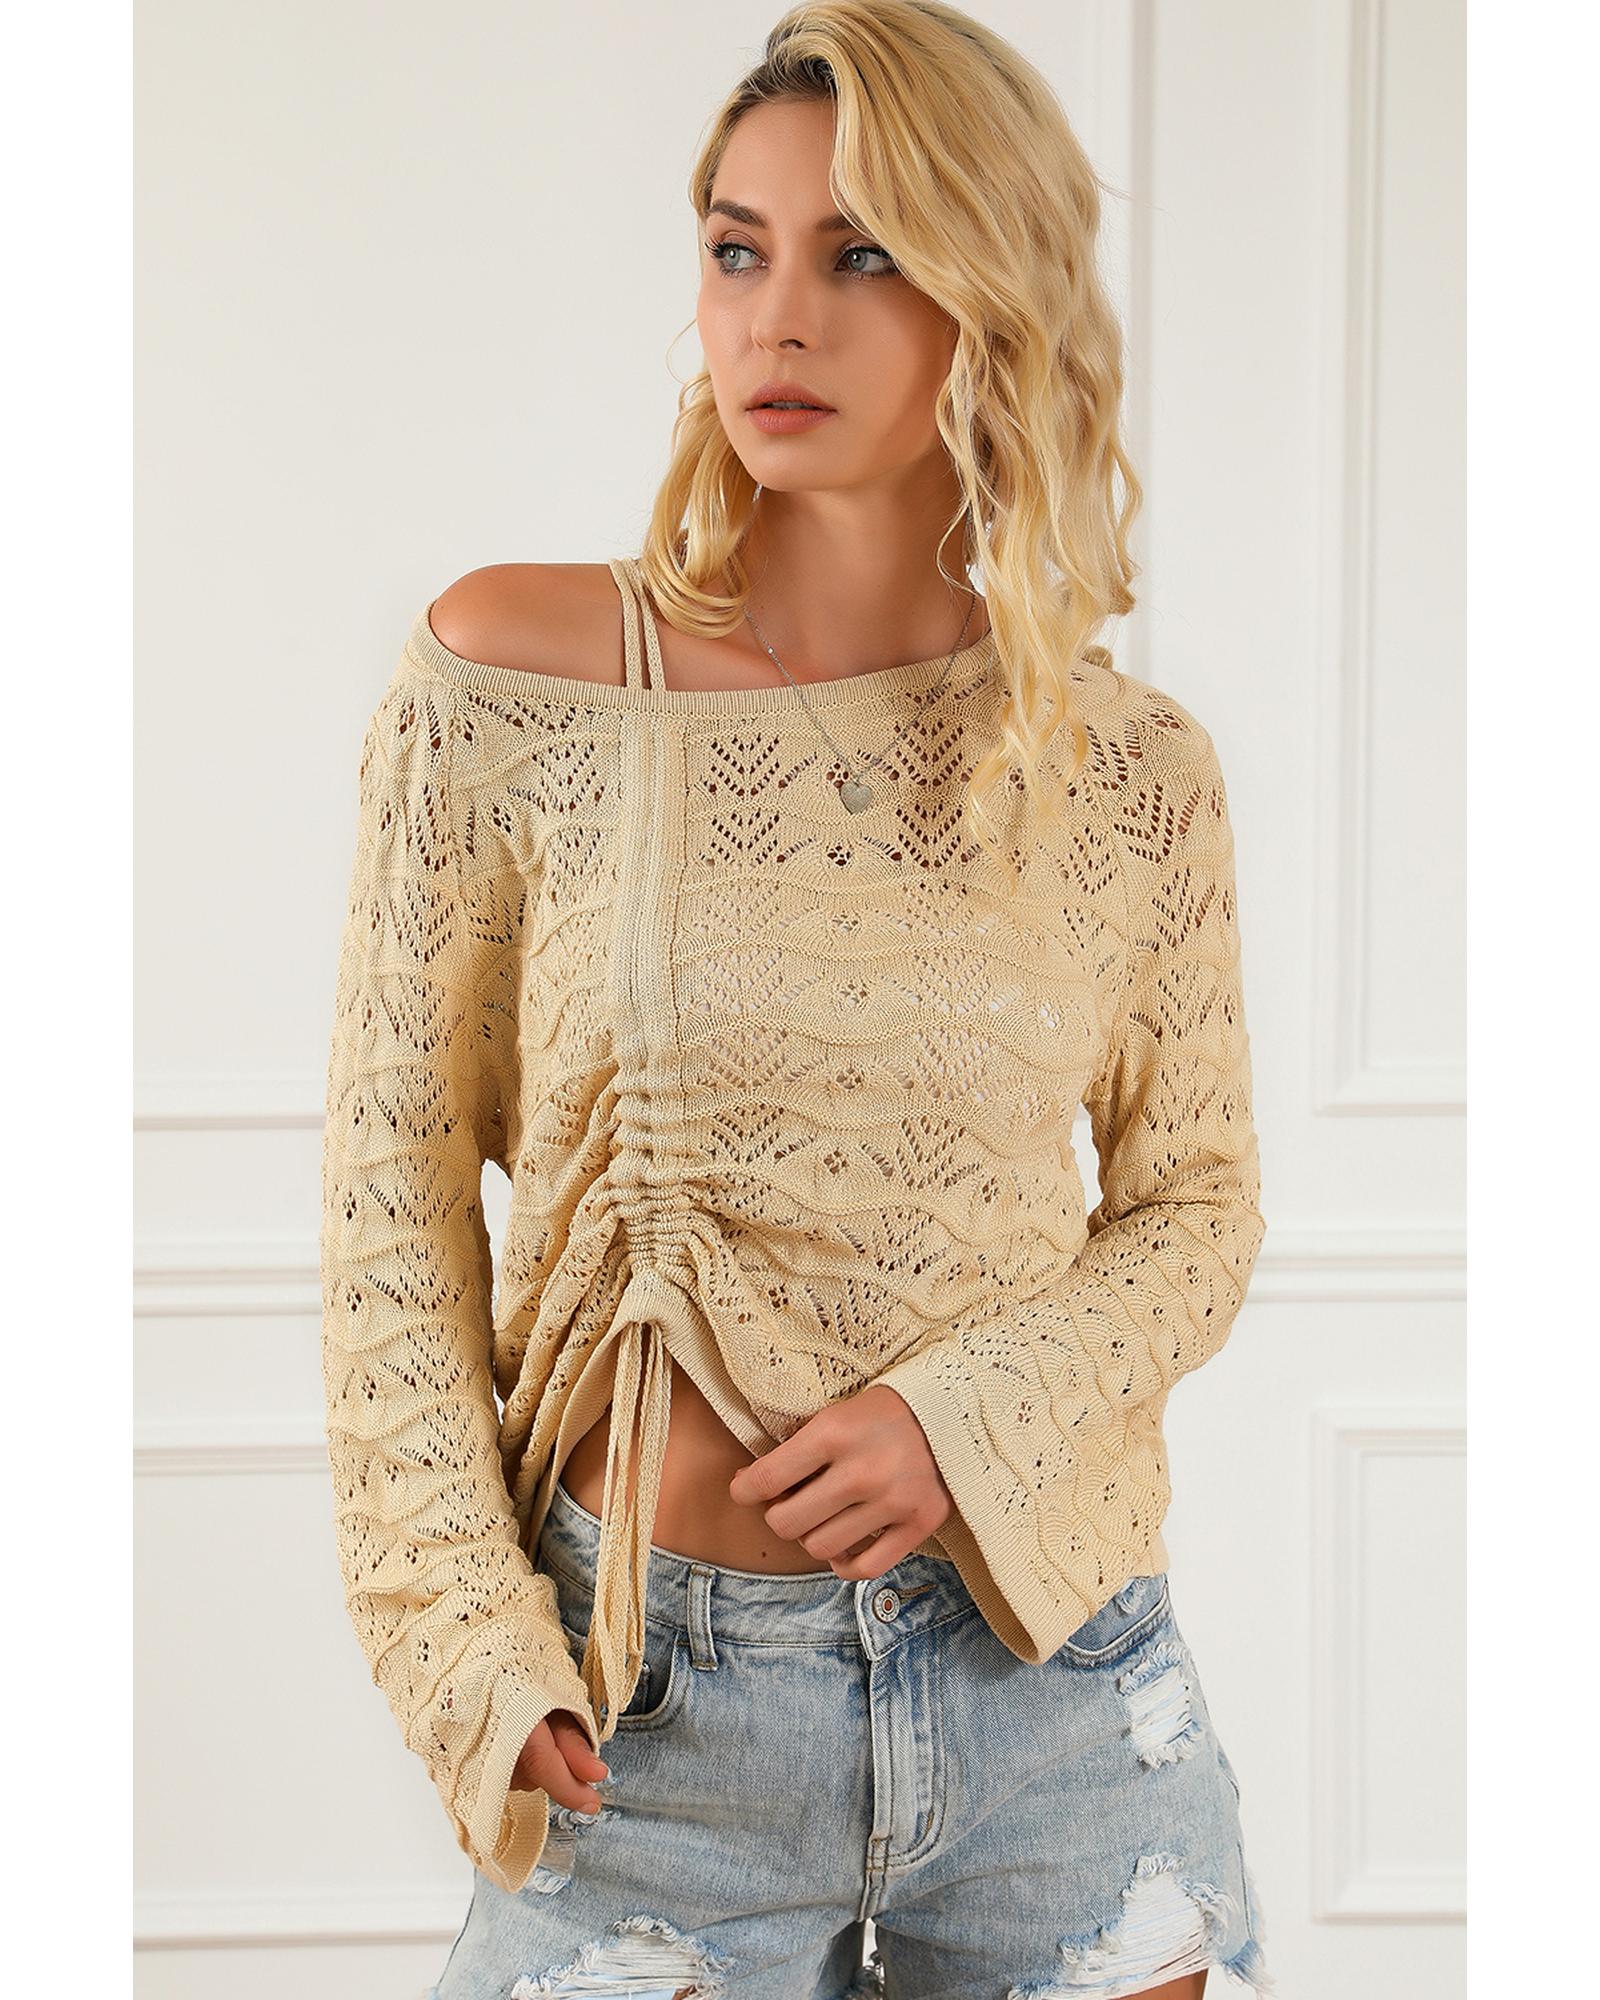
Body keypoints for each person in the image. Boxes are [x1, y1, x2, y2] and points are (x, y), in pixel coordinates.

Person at [318, 5, 1276, 1995]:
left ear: (991, 296)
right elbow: (389, 1221)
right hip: (647, 1723)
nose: (778, 317)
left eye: (862, 255)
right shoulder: (516, 680)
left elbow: (1195, 1214)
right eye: (736, 247)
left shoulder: (1129, 771)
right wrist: (466, 1647)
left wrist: (955, 1419)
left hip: (1052, 1693)